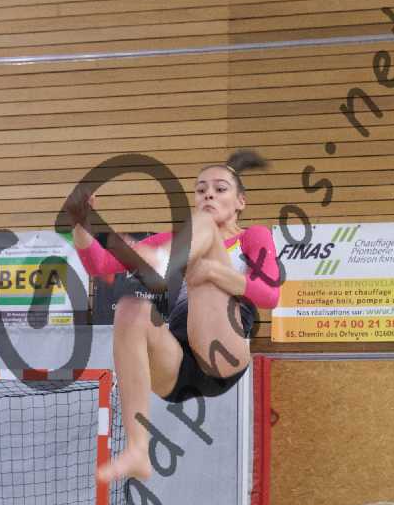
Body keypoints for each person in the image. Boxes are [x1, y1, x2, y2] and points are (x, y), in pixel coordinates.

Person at [67, 151, 281, 483]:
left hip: (222, 350)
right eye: (201, 189)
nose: (208, 195)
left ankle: (161, 262)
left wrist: (214, 271)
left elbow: (270, 295)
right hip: (178, 366)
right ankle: (137, 449)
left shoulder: (252, 236)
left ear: (241, 201)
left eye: (220, 189)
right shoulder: (178, 238)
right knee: (130, 309)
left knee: (201, 230)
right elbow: (99, 265)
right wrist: (81, 223)